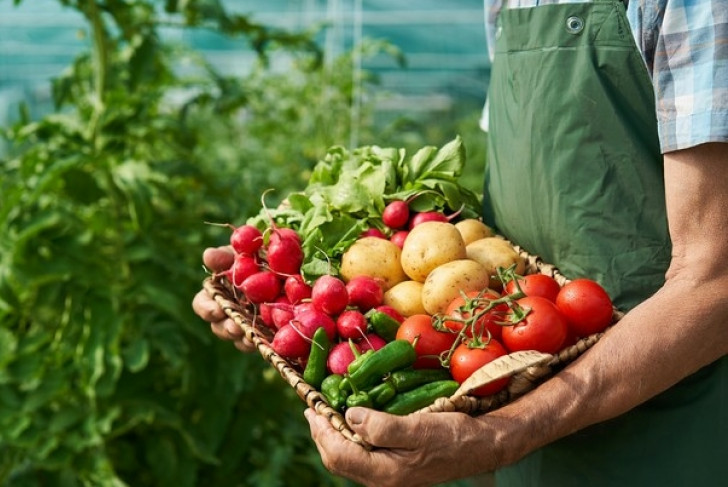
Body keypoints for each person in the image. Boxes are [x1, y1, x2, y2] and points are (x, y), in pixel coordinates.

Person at [193, 0, 728, 485]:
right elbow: (550, 186)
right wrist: (285, 301)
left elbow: (715, 283)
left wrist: (499, 435)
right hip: (519, 398)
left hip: (662, 427)